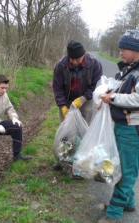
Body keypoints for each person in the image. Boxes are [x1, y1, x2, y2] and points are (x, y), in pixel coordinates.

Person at [97, 30, 139, 223]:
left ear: (135, 49)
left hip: (135, 130)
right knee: (124, 168)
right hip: (124, 126)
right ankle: (128, 202)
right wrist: (106, 96)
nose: (120, 53)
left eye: (123, 49)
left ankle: (113, 215)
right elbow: (119, 87)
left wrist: (113, 98)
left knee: (126, 172)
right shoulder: (131, 67)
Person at [52, 40, 103, 171]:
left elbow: (97, 85)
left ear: (84, 54)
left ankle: (80, 163)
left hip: (85, 100)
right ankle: (62, 160)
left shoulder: (94, 64)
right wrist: (62, 106)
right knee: (65, 132)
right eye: (72, 59)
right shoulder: (61, 65)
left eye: (78, 59)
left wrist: (84, 98)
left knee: (82, 131)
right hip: (67, 101)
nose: (74, 62)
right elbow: (57, 88)